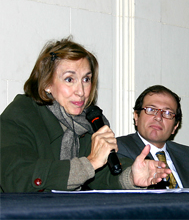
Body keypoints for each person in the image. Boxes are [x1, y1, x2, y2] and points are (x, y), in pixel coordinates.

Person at [0, 37, 171, 193]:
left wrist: (131, 175)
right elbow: (16, 176)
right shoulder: (22, 113)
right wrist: (88, 163)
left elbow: (101, 174)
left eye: (86, 79)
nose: (81, 91)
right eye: (69, 79)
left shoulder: (91, 120)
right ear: (47, 84)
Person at [117, 85, 189, 189]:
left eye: (167, 113)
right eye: (151, 109)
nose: (158, 117)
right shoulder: (118, 148)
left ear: (175, 126)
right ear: (136, 116)